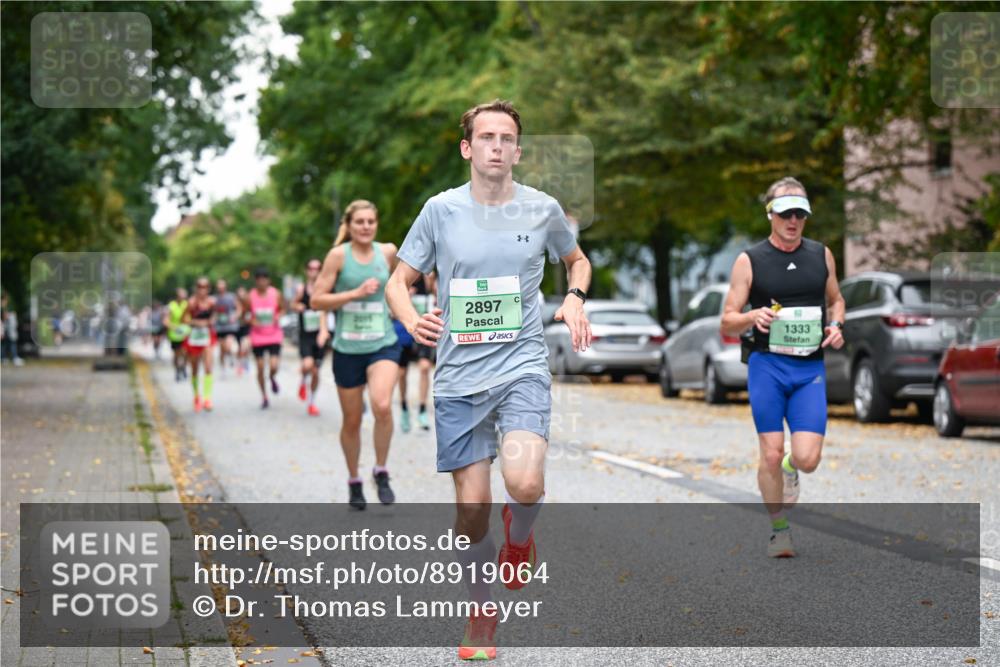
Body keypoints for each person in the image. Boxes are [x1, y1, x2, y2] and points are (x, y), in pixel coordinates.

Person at [385, 99, 592, 661]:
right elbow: (398, 281)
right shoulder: (440, 211)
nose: (497, 146)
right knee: (471, 511)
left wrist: (574, 299)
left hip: (522, 364)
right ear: (468, 148)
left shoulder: (542, 208)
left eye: (507, 138)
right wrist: (410, 318)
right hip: (457, 378)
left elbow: (577, 262)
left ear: (517, 150)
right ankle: (481, 610)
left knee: (525, 484)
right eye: (487, 137)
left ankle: (519, 535)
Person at [720, 176, 845, 558]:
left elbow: (836, 300)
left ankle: (790, 467)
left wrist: (837, 325)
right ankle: (779, 530)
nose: (793, 221)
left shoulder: (821, 255)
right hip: (768, 367)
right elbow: (726, 319)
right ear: (770, 214)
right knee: (770, 454)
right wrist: (751, 316)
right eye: (786, 213)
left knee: (806, 459)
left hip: (808, 370)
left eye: (800, 215)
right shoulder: (750, 260)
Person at [311, 200, 401, 510]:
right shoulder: (338, 256)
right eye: (359, 222)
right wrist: (354, 293)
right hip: (348, 348)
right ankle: (354, 479)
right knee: (351, 420)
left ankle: (381, 469)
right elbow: (316, 300)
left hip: (382, 342)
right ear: (348, 226)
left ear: (376, 225)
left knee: (382, 404)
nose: (365, 227)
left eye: (370, 222)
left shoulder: (387, 252)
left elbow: (404, 283)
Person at [396, 272, 437, 432]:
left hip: (424, 330)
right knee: (401, 373)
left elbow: (438, 298)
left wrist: (432, 282)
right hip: (406, 331)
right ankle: (404, 407)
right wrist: (406, 297)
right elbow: (393, 308)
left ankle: (422, 410)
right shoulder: (402, 279)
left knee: (425, 368)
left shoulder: (429, 279)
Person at [291, 258, 332, 416]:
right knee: (307, 365)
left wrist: (324, 330)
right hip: (305, 334)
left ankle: (312, 402)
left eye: (317, 268)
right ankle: (302, 380)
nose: (314, 271)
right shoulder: (302, 289)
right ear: (307, 270)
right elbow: (292, 304)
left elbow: (325, 310)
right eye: (311, 268)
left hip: (320, 334)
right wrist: (298, 306)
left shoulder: (324, 289)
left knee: (316, 371)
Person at [246, 268, 285, 408]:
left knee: (273, 365)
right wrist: (251, 321)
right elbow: (244, 315)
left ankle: (272, 377)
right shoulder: (250, 296)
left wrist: (278, 316)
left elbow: (283, 309)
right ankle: (264, 396)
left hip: (274, 334)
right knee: (260, 367)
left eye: (265, 278)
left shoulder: (276, 294)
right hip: (257, 336)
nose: (262, 281)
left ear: (268, 280)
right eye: (259, 279)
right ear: (256, 281)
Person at [183, 278, 218, 412]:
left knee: (208, 366)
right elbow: (184, 319)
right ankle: (196, 396)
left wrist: (210, 321)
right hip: (194, 338)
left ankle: (207, 399)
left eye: (205, 287)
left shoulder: (211, 302)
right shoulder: (191, 303)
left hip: (207, 337)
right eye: (200, 287)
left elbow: (214, 316)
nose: (202, 290)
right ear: (196, 288)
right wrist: (196, 323)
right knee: (195, 369)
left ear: (208, 289)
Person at [214, 279, 241, 374]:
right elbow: (213, 312)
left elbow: (239, 309)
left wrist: (235, 316)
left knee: (228, 345)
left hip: (230, 326)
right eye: (219, 287)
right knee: (222, 349)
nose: (220, 288)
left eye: (222, 286)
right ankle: (223, 368)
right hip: (219, 327)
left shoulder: (231, 297)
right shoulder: (214, 299)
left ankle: (231, 356)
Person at [164, 287, 189, 381]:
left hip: (185, 332)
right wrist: (174, 327)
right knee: (176, 354)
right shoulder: (171, 306)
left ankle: (184, 367)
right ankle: (177, 370)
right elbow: (166, 321)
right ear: (177, 296)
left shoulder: (187, 305)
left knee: (186, 352)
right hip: (174, 334)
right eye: (180, 295)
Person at [234, 285, 252, 375]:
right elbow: (237, 312)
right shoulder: (235, 303)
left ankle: (246, 362)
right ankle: (240, 363)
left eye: (242, 293)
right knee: (239, 348)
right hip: (237, 328)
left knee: (245, 346)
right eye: (239, 293)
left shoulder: (248, 303)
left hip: (247, 327)